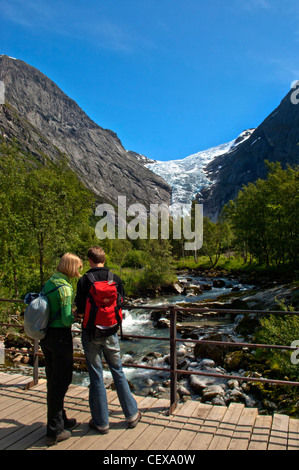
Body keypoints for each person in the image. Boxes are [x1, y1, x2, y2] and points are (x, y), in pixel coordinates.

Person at [75, 246, 141, 434]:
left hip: (91, 333)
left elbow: (80, 309)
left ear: (89, 260)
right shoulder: (115, 279)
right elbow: (121, 303)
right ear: (104, 259)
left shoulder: (84, 280)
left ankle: (101, 422)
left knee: (96, 376)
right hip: (111, 331)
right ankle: (131, 415)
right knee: (118, 372)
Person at [40, 253, 82, 446]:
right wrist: (76, 316)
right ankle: (55, 430)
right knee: (62, 381)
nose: (80, 271)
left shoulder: (51, 281)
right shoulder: (65, 288)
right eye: (78, 267)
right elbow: (66, 319)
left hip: (46, 336)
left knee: (52, 379)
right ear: (71, 267)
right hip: (60, 337)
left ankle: (61, 419)